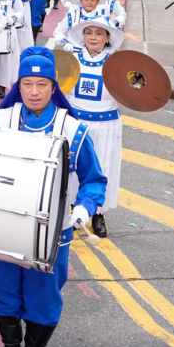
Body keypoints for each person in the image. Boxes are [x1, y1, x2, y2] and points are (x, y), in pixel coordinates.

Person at [0, 47, 107, 347]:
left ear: (54, 87)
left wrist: (84, 207)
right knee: (3, 290)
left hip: (52, 230)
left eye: (42, 85)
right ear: (18, 86)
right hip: (5, 223)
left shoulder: (72, 130)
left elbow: (94, 179)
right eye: (27, 84)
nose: (34, 92)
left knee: (43, 298)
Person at [64, 16, 124, 238]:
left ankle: (98, 213)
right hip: (76, 124)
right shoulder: (70, 59)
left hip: (106, 123)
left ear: (107, 38)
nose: (93, 37)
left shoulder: (117, 63)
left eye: (99, 33)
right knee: (71, 169)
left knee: (102, 168)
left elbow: (131, 91)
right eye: (89, 32)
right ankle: (72, 212)